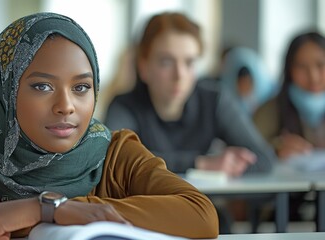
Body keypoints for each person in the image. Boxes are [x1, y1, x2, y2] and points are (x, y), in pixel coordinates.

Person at [0, 12, 218, 239]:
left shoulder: (113, 152)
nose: (66, 106)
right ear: (7, 91)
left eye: (81, 88)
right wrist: (53, 210)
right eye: (42, 87)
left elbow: (201, 215)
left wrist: (44, 210)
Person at [105, 12, 275, 177]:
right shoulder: (124, 106)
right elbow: (117, 159)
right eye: (166, 62)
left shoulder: (214, 100)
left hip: (202, 204)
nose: (179, 75)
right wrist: (200, 164)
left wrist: (229, 163)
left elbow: (263, 159)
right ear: (143, 67)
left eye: (189, 62)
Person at [254, 32, 325, 159]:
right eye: (302, 67)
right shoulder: (269, 111)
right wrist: (275, 149)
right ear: (289, 70)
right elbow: (249, 150)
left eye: (320, 65)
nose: (313, 77)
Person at [220, 47, 277, 115]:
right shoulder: (231, 102)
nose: (244, 87)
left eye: (247, 83)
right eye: (242, 84)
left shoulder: (261, 100)